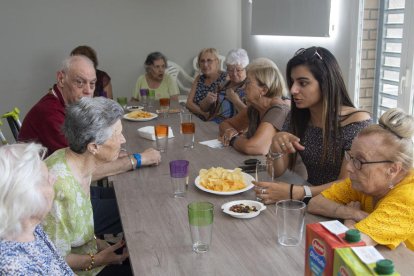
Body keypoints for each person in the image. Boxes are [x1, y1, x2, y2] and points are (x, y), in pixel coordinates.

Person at [255, 47, 372, 204]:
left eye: (303, 83)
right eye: (292, 82)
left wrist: (295, 192)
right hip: (312, 202)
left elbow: (347, 185)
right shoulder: (298, 116)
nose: (293, 90)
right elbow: (276, 172)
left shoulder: (356, 122)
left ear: (325, 83)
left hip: (344, 206)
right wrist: (275, 147)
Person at [18, 55, 161, 179]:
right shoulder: (49, 114)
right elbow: (83, 168)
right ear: (61, 79)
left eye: (92, 84)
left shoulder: (70, 106)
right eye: (79, 82)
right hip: (44, 202)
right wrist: (138, 159)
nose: (87, 91)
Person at [43, 97, 132, 275]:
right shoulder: (60, 187)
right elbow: (55, 258)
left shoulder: (77, 161)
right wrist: (99, 259)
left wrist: (97, 243)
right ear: (94, 147)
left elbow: (74, 226)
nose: (123, 139)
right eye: (117, 134)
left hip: (90, 253)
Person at [308, 108, 414, 250]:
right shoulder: (364, 181)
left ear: (393, 169)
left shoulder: (407, 198)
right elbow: (315, 203)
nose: (349, 168)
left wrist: (350, 222)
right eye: (351, 157)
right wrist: (355, 213)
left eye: (360, 161)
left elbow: (352, 246)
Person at [0, 143, 73, 275]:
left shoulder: (29, 226)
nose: (53, 179)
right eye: (46, 179)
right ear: (27, 199)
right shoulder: (16, 268)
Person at [218, 58, 290, 155]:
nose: (243, 87)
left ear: (263, 90)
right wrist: (230, 131)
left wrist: (233, 139)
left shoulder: (278, 110)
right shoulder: (255, 108)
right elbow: (224, 124)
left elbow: (254, 148)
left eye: (248, 83)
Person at [200, 48, 249, 123]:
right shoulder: (223, 85)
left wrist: (235, 100)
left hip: (231, 129)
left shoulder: (249, 88)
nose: (234, 74)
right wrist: (207, 101)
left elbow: (251, 116)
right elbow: (203, 108)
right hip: (212, 124)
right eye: (231, 70)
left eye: (238, 70)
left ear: (246, 69)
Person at [186, 48, 227, 120]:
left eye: (209, 60)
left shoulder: (225, 78)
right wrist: (204, 114)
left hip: (213, 121)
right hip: (195, 118)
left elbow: (219, 108)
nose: (205, 64)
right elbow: (189, 103)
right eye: (202, 61)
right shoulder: (199, 78)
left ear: (217, 62)